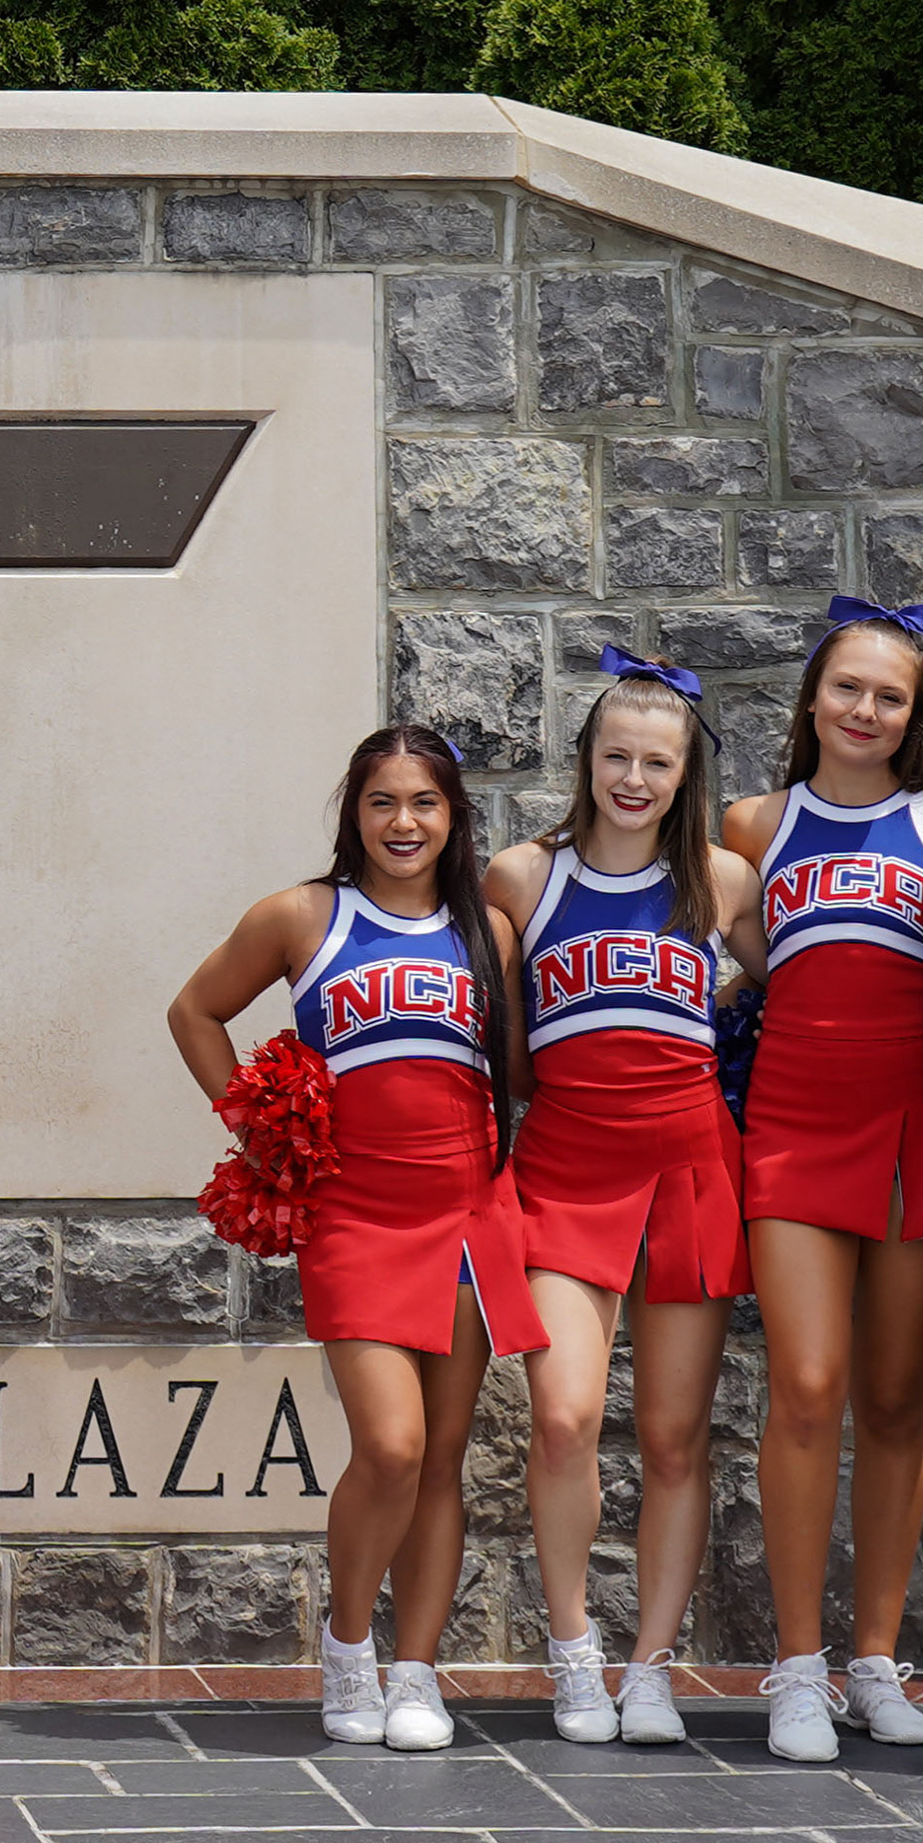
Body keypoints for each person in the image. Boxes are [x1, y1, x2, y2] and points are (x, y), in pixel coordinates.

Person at [167, 725, 539, 1753]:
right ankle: (345, 1649)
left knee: (443, 1457)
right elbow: (194, 1011)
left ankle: (416, 1670)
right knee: (391, 1443)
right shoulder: (302, 916)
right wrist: (260, 1129)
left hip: (465, 1217)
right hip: (355, 1218)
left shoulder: (486, 935)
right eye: (384, 802)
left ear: (454, 817)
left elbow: (513, 1077)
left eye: (425, 803)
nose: (404, 822)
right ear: (354, 813)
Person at [721, 600, 923, 1766]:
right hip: (792, 1124)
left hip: (911, 1127)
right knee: (807, 1385)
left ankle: (874, 1660)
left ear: (914, 716)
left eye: (891, 696)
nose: (866, 710)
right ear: (812, 700)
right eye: (848, 689)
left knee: (892, 1399)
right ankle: (794, 1669)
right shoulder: (751, 824)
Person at [487, 657, 761, 1748]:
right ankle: (572, 1652)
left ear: (684, 771)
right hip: (565, 1166)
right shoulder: (523, 876)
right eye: (616, 758)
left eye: (656, 762)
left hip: (690, 1164)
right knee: (561, 1419)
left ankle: (651, 1666)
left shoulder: (719, 879)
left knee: (675, 1437)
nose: (633, 779)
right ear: (586, 762)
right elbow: (496, 1020)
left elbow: (786, 979)